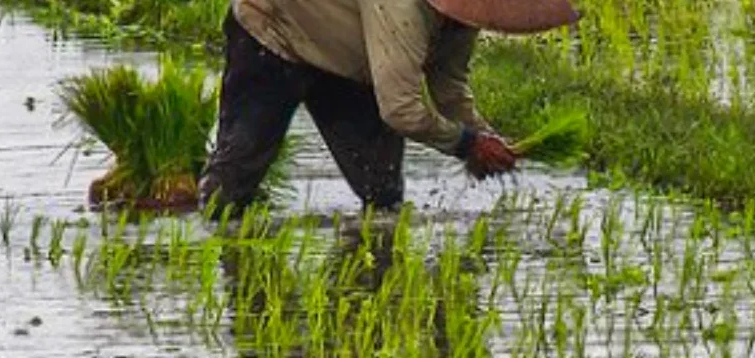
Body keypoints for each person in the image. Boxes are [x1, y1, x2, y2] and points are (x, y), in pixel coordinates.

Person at [198, 0, 579, 217]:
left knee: (382, 196)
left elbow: (449, 86)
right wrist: (466, 145)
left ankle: (372, 291)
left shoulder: (464, 19)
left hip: (350, 66)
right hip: (274, 34)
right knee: (230, 189)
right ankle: (219, 255)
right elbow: (401, 110)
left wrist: (484, 136)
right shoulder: (402, 7)